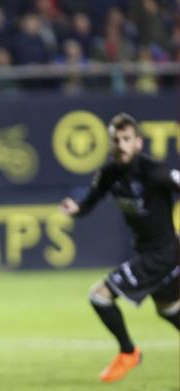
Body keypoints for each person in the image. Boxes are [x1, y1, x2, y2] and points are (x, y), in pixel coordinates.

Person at [60, 113, 180, 383]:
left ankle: (129, 352)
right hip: (150, 252)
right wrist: (76, 208)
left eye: (126, 139)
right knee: (169, 308)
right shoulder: (109, 172)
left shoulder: (155, 171)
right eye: (116, 139)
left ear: (138, 142)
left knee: (99, 296)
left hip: (161, 253)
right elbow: (91, 199)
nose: (121, 145)